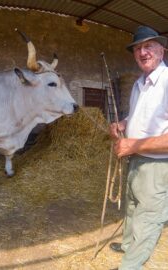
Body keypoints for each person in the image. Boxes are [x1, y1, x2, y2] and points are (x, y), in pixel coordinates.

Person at [109, 25, 168, 270]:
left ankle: (130, 265)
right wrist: (123, 124)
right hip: (135, 159)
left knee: (148, 218)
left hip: (156, 165)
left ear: (162, 51)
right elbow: (139, 117)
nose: (142, 52)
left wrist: (133, 144)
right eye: (137, 48)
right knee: (132, 206)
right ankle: (127, 245)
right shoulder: (138, 84)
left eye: (148, 46)